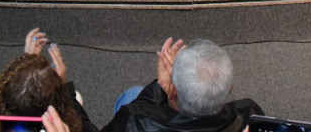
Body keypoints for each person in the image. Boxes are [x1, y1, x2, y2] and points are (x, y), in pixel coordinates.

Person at [101, 38, 262, 132]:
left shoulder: (132, 119)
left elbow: (137, 111)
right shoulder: (249, 115)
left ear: (173, 93)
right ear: (229, 90)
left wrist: (159, 86)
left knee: (133, 93)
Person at [0, 28, 95, 132]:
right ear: (56, 105)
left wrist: (24, 73)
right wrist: (65, 91)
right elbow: (87, 127)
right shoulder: (80, 129)